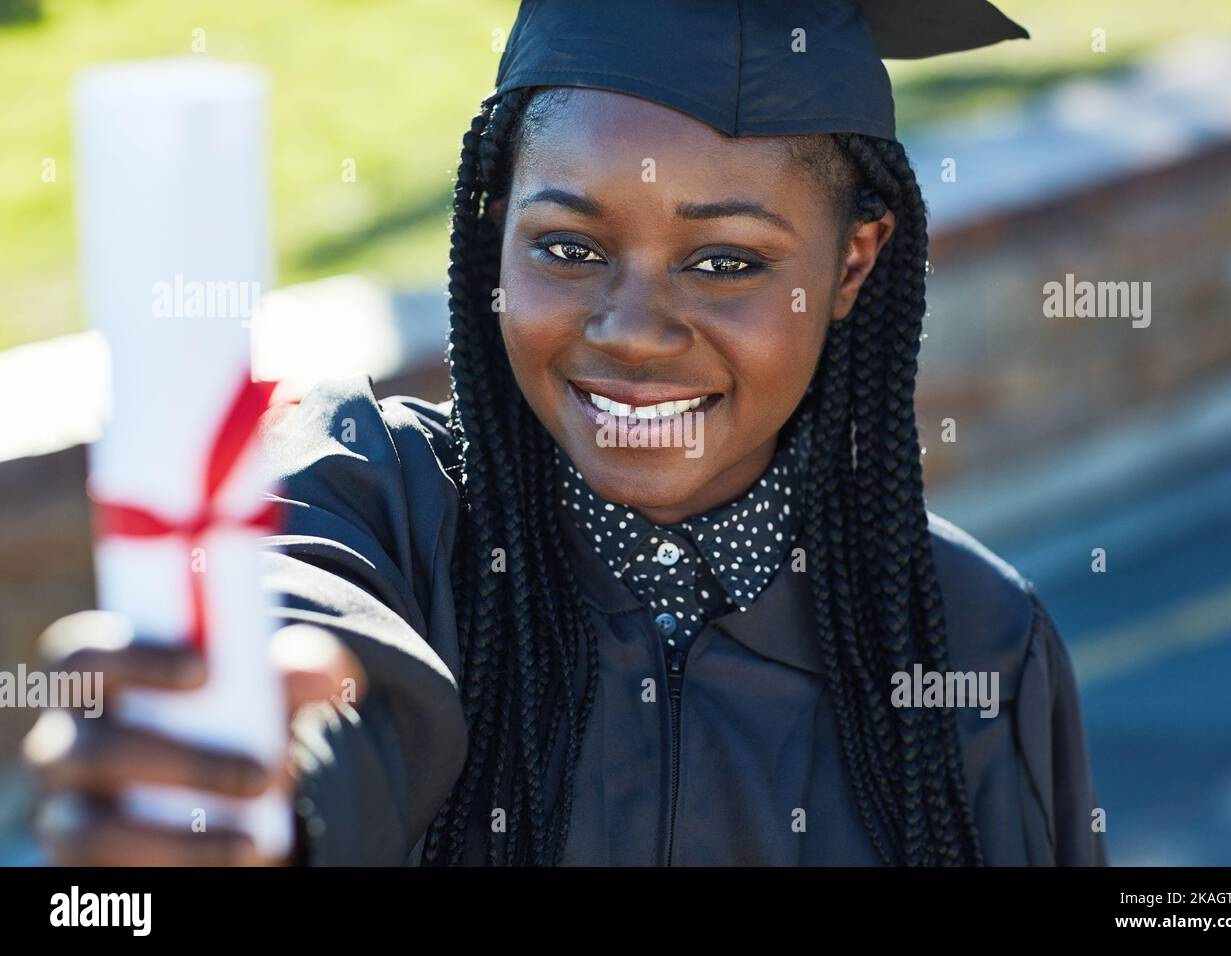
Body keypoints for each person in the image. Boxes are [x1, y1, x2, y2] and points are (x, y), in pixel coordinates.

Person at [23, 0, 1107, 866]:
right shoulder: (376, 507)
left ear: (853, 265)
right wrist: (245, 791)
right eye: (569, 248)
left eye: (725, 261)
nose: (631, 332)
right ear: (496, 229)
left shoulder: (969, 640)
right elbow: (300, 632)